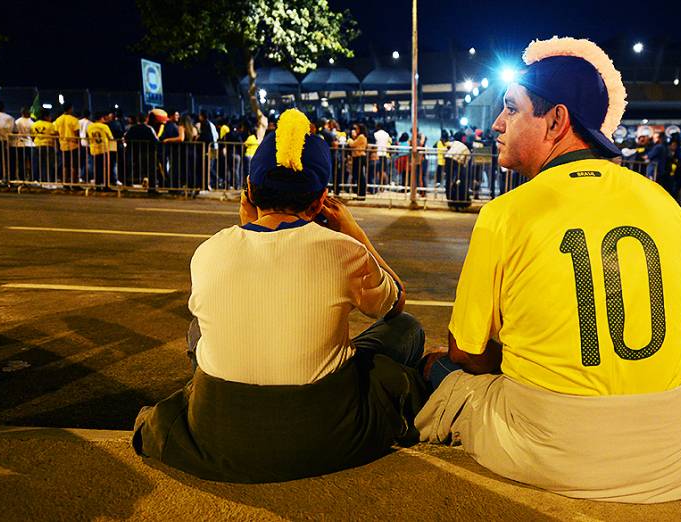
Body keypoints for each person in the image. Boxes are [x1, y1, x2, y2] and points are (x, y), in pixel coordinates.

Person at [415, 36, 681, 502]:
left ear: (557, 120)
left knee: (433, 365)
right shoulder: (662, 202)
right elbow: (679, 341)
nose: (497, 123)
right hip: (668, 448)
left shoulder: (508, 212)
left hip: (553, 449)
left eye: (511, 109)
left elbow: (468, 355)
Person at [133, 108, 427, 483]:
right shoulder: (342, 249)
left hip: (219, 434)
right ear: (320, 201)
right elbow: (394, 303)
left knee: (198, 328)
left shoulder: (209, 251)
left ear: (251, 191)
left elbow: (260, 264)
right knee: (407, 329)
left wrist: (246, 225)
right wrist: (355, 232)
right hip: (325, 433)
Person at [52, 104, 80, 185]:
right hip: (73, 144)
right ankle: (74, 183)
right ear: (70, 109)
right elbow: (76, 133)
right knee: (74, 165)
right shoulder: (74, 119)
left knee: (65, 165)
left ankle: (65, 182)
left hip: (63, 145)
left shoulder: (58, 120)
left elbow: (56, 133)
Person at [86, 112, 114, 187]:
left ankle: (97, 184)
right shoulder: (104, 126)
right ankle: (106, 185)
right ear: (101, 118)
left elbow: (88, 137)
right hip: (104, 149)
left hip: (94, 149)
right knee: (106, 168)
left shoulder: (90, 127)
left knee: (97, 168)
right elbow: (111, 137)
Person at [30, 108, 57, 183]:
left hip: (36, 146)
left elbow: (32, 136)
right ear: (46, 116)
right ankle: (46, 180)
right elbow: (55, 135)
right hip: (48, 146)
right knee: (47, 164)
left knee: (36, 164)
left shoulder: (34, 124)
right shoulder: (51, 125)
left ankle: (35, 180)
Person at [349, 123, 368, 199]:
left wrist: (349, 140)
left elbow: (353, 144)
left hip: (359, 157)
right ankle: (359, 193)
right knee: (359, 176)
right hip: (359, 157)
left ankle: (361, 194)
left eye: (357, 129)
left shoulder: (361, 136)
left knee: (360, 176)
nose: (356, 130)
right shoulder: (361, 136)